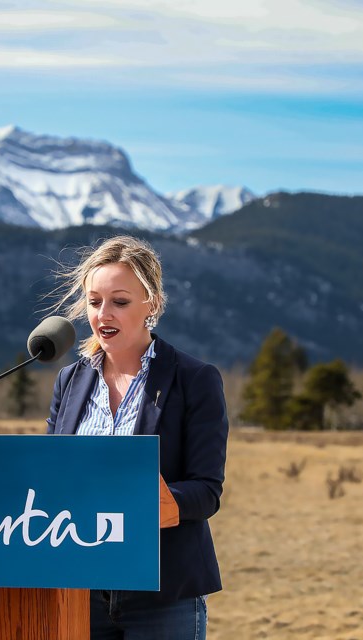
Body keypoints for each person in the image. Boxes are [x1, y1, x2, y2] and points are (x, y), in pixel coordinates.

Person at [46, 235, 229, 639]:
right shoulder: (69, 382)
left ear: (152, 303)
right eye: (94, 302)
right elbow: (52, 478)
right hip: (80, 588)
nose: (103, 314)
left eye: (120, 301)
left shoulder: (194, 380)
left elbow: (207, 491)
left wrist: (154, 504)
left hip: (162, 595)